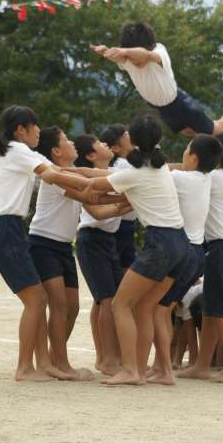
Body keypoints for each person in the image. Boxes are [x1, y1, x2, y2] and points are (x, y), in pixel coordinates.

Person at [0, 106, 93, 382]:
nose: (38, 131)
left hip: (10, 229)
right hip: (5, 230)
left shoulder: (22, 152)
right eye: (35, 126)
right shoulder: (17, 150)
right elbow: (53, 176)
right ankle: (25, 368)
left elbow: (58, 169)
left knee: (39, 299)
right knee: (36, 299)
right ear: (21, 129)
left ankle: (44, 364)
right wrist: (90, 186)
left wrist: (96, 179)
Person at [86, 114, 189, 385]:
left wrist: (55, 175)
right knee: (145, 306)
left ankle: (131, 370)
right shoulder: (159, 165)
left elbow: (94, 184)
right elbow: (105, 178)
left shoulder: (134, 172)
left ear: (130, 139)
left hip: (161, 242)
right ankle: (149, 371)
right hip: (180, 243)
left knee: (121, 304)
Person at [28, 126, 125, 380]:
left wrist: (127, 197)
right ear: (56, 151)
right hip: (43, 243)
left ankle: (55, 359)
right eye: (66, 140)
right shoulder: (55, 173)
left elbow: (93, 197)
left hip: (63, 246)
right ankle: (61, 363)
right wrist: (128, 191)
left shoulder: (67, 171)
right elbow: (88, 194)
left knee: (71, 307)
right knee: (59, 305)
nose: (72, 143)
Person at [91, 21, 223, 137]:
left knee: (214, 131)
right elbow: (118, 56)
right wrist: (105, 51)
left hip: (180, 104)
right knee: (189, 132)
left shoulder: (159, 52)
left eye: (136, 58)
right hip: (161, 107)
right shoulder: (126, 59)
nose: (136, 63)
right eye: (131, 59)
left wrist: (126, 52)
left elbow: (145, 55)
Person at [149, 134, 223, 385]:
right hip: (196, 253)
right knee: (164, 309)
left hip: (181, 251)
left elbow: (155, 174)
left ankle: (164, 369)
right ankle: (160, 366)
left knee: (157, 310)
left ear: (193, 157)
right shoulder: (206, 178)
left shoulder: (181, 178)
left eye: (186, 149)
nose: (183, 153)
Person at [179, 132, 223, 383]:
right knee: (212, 309)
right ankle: (202, 365)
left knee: (220, 311)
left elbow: (187, 175)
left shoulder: (213, 178)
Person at [74, 134, 131, 376]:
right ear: (90, 155)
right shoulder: (84, 180)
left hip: (108, 240)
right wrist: (128, 202)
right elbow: (98, 213)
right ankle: (108, 359)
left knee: (111, 300)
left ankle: (110, 356)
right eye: (99, 144)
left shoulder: (113, 175)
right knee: (106, 300)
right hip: (91, 239)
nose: (105, 144)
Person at [100, 124, 137, 272]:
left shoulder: (127, 164)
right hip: (122, 225)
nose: (131, 136)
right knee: (123, 268)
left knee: (126, 267)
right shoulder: (122, 165)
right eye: (126, 135)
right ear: (115, 148)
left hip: (126, 224)